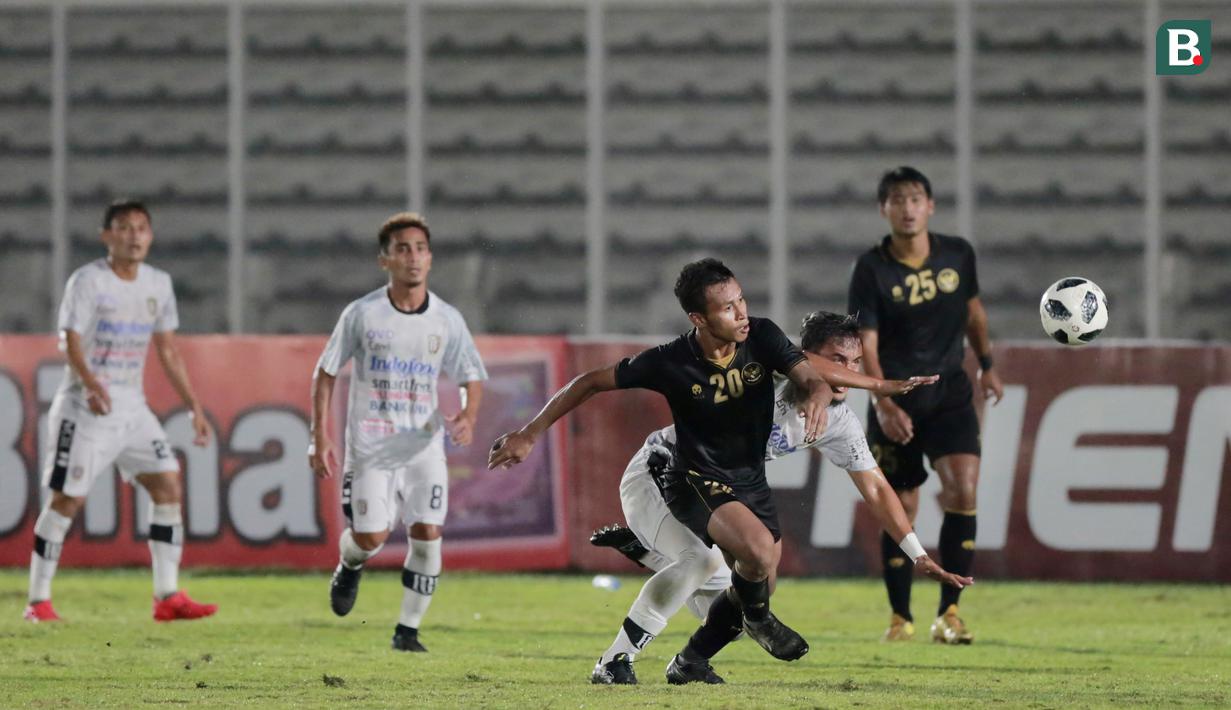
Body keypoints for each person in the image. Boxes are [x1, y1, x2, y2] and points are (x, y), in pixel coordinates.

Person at [489, 258, 832, 685]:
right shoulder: (671, 361)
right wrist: (528, 432)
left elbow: (813, 379)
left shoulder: (761, 335)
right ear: (698, 318)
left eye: (741, 299)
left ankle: (690, 658)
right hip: (680, 478)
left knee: (747, 588)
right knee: (728, 559)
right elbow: (590, 381)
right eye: (728, 307)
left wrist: (817, 393)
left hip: (746, 482)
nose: (741, 312)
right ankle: (615, 661)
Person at [588, 312, 971, 684]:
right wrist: (876, 384)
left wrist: (917, 554)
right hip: (663, 471)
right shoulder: (764, 370)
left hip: (718, 486)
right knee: (699, 562)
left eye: (856, 361)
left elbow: (875, 487)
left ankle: (689, 661)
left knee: (747, 596)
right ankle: (614, 661)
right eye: (839, 360)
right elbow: (805, 365)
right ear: (804, 354)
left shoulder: (840, 421)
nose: (848, 372)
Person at [25, 199, 216, 623]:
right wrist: (91, 384)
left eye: (141, 228)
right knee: (65, 501)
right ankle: (37, 601)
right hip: (85, 407)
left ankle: (166, 596)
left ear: (150, 235)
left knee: (168, 486)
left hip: (132, 409)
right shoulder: (88, 282)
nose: (134, 236)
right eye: (124, 228)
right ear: (106, 236)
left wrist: (194, 406)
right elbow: (69, 340)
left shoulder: (157, 284)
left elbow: (167, 349)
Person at [308, 211, 487, 653]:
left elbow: (471, 375)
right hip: (370, 447)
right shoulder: (363, 314)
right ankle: (350, 563)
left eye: (421, 249)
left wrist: (467, 416)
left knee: (427, 533)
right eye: (402, 249)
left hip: (423, 446)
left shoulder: (446, 319)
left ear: (430, 259)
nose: (413, 257)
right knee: (370, 537)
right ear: (384, 260)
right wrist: (320, 435)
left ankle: (407, 632)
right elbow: (326, 372)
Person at [847, 166, 1004, 644]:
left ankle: (949, 613)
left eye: (916, 198)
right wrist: (882, 398)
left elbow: (974, 313)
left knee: (964, 489)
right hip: (899, 397)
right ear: (884, 209)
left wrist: (988, 364)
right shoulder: (871, 268)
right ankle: (901, 617)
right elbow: (866, 341)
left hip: (951, 392)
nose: (908, 207)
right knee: (904, 506)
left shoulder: (958, 254)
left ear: (930, 206)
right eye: (897, 199)